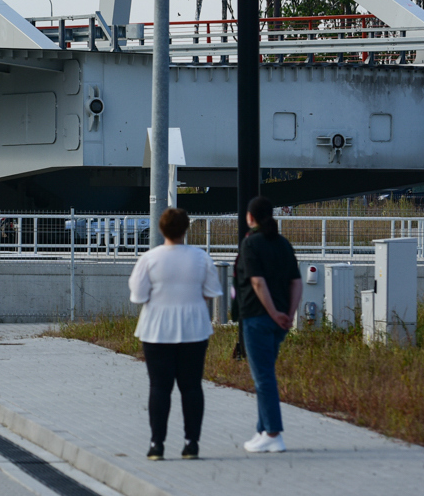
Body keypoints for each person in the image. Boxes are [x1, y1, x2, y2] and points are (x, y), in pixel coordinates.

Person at [128, 207, 222, 461]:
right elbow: (211, 291)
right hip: (194, 329)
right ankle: (191, 444)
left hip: (156, 330)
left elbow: (138, 295)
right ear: (186, 229)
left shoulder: (149, 258)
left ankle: (156, 445)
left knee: (159, 388)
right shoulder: (201, 257)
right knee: (191, 387)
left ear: (161, 229)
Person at [235, 196, 301, 453]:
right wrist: (289, 315)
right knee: (265, 373)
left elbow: (257, 282)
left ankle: (273, 433)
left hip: (257, 317)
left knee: (263, 378)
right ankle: (263, 431)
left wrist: (273, 313)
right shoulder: (283, 244)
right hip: (280, 320)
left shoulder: (250, 243)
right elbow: (296, 282)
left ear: (250, 217)